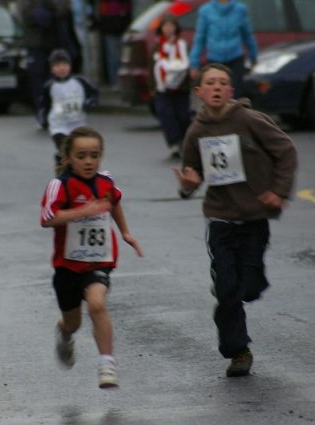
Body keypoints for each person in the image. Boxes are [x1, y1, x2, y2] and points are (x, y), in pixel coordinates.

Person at [173, 63, 297, 377]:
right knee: (227, 288)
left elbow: (286, 150)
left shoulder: (249, 120)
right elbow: (192, 174)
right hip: (220, 219)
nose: (216, 87)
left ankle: (251, 283)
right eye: (210, 83)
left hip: (254, 218)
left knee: (249, 287)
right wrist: (188, 185)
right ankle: (237, 351)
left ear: (231, 91)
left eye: (223, 83)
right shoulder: (196, 131)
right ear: (199, 92)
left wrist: (278, 191)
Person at [40, 126, 143, 389]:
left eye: (94, 155)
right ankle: (64, 332)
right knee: (73, 323)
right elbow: (47, 218)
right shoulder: (60, 185)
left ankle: (106, 364)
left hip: (99, 261)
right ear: (69, 158)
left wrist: (126, 232)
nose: (89, 161)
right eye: (82, 156)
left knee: (97, 304)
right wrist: (82, 211)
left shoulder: (105, 182)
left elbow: (114, 201)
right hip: (67, 266)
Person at [18, 0, 81, 120]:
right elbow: (29, 16)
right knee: (38, 82)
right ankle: (42, 113)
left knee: (56, 80)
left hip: (53, 45)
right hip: (36, 46)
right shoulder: (26, 3)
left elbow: (63, 11)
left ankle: (56, 112)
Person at [39, 49, 99, 171]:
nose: (61, 68)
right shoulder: (49, 86)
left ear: (70, 66)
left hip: (78, 124)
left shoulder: (80, 82)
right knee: (64, 148)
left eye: (65, 65)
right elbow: (43, 105)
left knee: (78, 150)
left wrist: (90, 103)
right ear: (52, 69)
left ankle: (78, 171)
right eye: (57, 66)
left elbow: (94, 94)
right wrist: (43, 119)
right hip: (59, 125)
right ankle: (62, 171)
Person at [188, 0, 258, 99]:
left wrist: (253, 56)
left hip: (235, 58)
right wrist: (194, 63)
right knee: (214, 95)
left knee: (234, 94)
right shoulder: (206, 10)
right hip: (214, 59)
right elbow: (200, 38)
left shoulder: (240, 9)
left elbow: (247, 35)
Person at [150, 15, 191, 159]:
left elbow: (186, 65)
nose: (168, 29)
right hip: (162, 89)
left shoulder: (182, 45)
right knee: (166, 114)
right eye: (165, 26)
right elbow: (153, 67)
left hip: (180, 88)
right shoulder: (157, 47)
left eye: (171, 25)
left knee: (183, 115)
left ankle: (184, 141)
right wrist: (153, 86)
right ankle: (173, 143)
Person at [94, 0, 132, 89]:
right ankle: (114, 82)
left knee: (123, 57)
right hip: (110, 26)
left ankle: (122, 82)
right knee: (112, 57)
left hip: (123, 25)